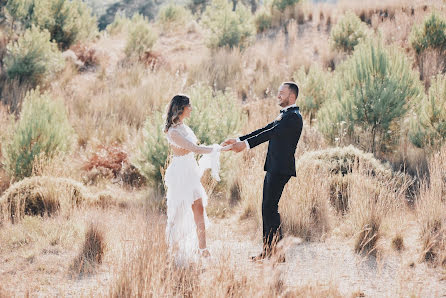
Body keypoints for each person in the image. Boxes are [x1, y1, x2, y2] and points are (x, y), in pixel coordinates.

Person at [222, 82, 303, 262]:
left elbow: (271, 133)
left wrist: (245, 145)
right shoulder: (285, 115)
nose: (278, 96)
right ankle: (270, 252)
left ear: (291, 96)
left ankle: (276, 253)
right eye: (278, 92)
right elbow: (265, 129)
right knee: (267, 208)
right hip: (274, 167)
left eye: (281, 93)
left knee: (270, 208)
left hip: (281, 169)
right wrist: (238, 139)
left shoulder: (294, 117)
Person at [164, 94, 231, 265]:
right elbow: (193, 148)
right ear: (181, 108)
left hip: (191, 172)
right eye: (189, 106)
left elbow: (195, 148)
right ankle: (172, 249)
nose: (191, 109)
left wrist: (217, 149)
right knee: (177, 213)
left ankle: (203, 250)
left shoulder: (185, 127)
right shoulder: (173, 132)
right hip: (180, 174)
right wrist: (218, 150)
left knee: (199, 209)